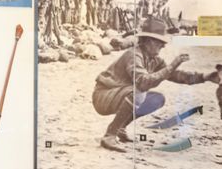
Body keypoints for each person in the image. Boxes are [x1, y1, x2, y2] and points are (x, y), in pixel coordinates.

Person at [92, 17, 215, 152]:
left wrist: (205, 77)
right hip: (103, 96)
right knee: (139, 93)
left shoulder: (153, 59)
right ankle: (110, 134)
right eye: (160, 42)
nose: (163, 45)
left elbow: (178, 76)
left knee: (156, 99)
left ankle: (120, 127)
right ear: (149, 41)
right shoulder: (134, 55)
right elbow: (143, 83)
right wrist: (173, 64)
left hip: (116, 94)